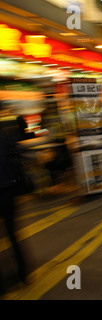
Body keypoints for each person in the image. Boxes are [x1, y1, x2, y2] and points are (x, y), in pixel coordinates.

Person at [0, 103, 30, 288]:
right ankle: (23, 273)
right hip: (8, 192)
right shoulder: (7, 136)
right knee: (13, 234)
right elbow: (21, 158)